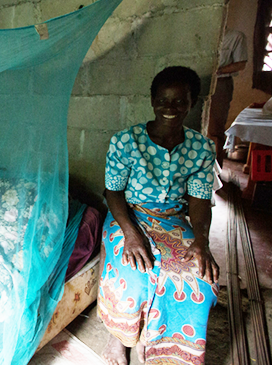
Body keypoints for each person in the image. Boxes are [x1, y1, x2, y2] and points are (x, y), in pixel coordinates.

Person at [98, 66, 220, 365]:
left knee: (200, 281)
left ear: (191, 103)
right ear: (152, 101)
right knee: (135, 274)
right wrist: (131, 234)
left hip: (172, 220)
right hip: (128, 216)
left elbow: (200, 200)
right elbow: (112, 192)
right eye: (163, 100)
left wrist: (202, 240)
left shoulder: (202, 148)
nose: (170, 108)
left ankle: (156, 341)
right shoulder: (126, 141)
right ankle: (120, 340)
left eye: (180, 101)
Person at [208, 28, 248, 167]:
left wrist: (217, 71)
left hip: (220, 83)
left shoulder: (235, 36)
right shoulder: (198, 33)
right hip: (196, 80)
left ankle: (215, 171)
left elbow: (240, 64)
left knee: (215, 128)